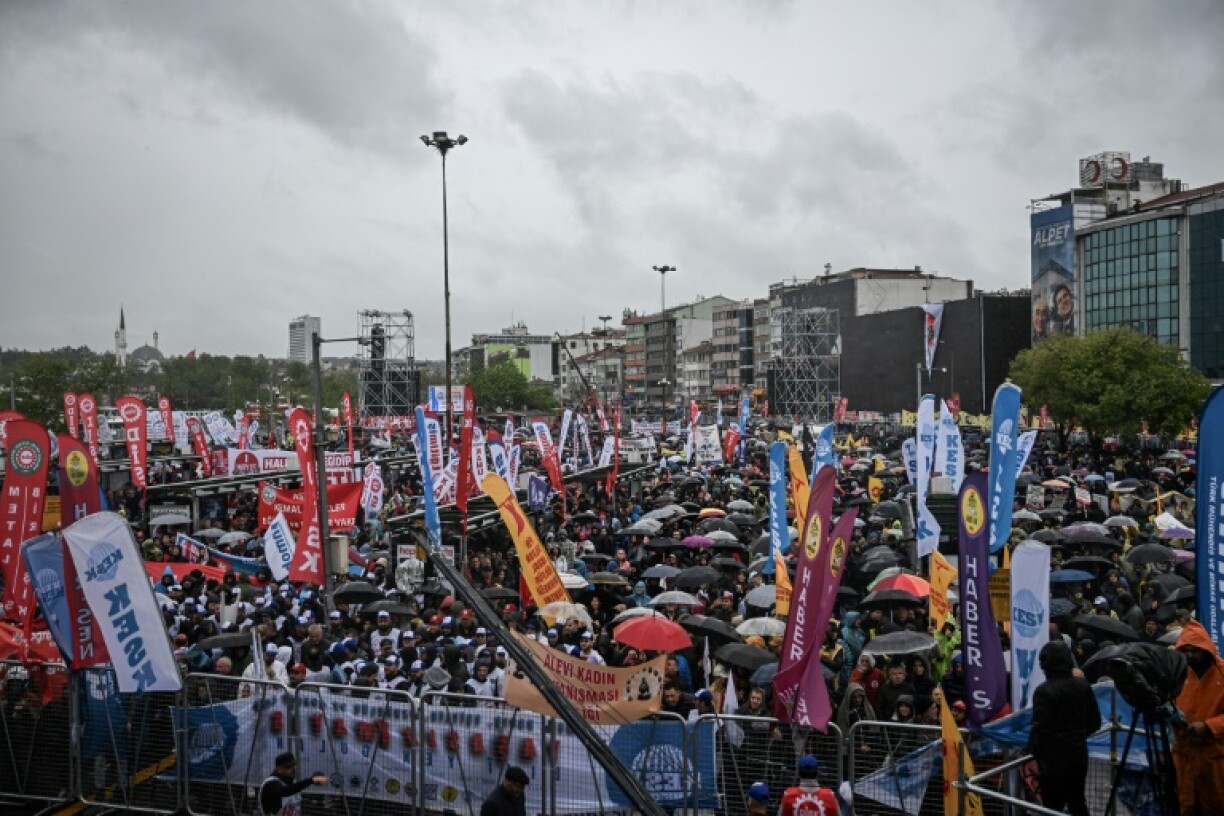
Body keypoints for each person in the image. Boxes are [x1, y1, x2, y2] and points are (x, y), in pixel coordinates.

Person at [1026, 641, 1100, 816]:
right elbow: (1095, 722)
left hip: (1052, 761)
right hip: (1078, 754)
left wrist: (1033, 750)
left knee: (1053, 807)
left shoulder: (1044, 691)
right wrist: (1077, 736)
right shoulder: (1083, 685)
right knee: (1078, 801)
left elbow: (1040, 729)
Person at [1172, 621, 1224, 813]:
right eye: (1186, 651)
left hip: (1214, 758)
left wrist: (1209, 726)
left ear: (1206, 649)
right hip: (1185, 756)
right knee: (1185, 806)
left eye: (1194, 651)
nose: (1190, 656)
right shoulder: (1180, 674)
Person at [258, 751, 328, 816]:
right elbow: (286, 791)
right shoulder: (271, 783)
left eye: (293, 765)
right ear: (279, 769)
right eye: (288, 767)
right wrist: (312, 780)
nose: (293, 769)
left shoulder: (289, 782)